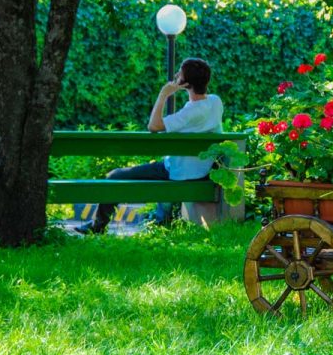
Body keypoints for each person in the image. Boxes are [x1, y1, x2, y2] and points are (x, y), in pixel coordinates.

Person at [76, 58, 224, 234]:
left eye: (180, 73)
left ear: (186, 83)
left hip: (180, 172)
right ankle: (161, 220)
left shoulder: (190, 112)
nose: (176, 75)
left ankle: (98, 226)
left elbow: (153, 126)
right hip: (202, 171)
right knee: (160, 169)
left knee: (115, 176)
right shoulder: (215, 102)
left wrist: (163, 94)